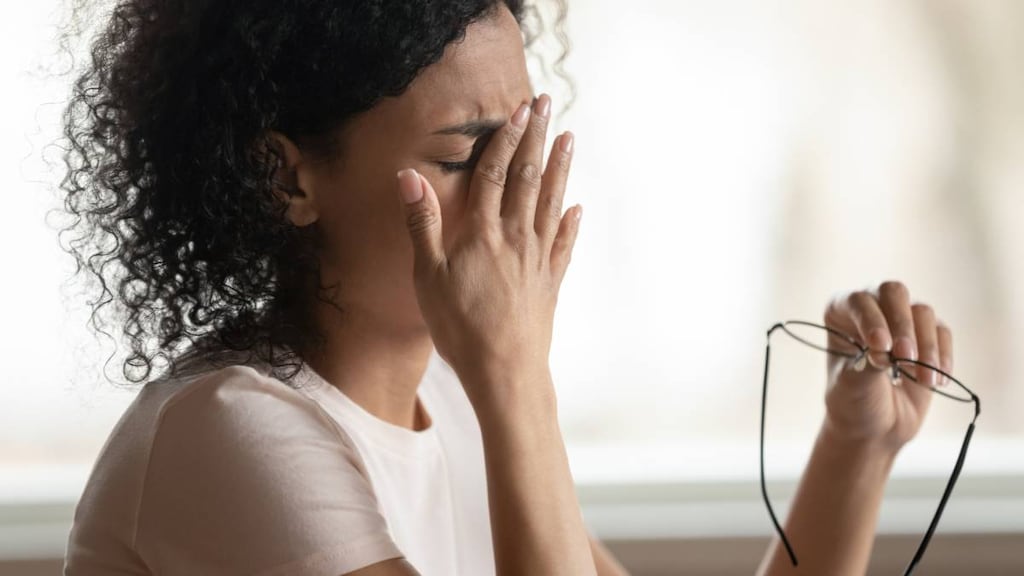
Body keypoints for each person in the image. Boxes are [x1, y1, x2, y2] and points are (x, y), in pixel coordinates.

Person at [59, 1, 953, 575]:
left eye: (523, 142)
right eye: (464, 158)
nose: (520, 189)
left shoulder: (450, 397)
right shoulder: (230, 434)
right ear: (284, 181)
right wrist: (514, 366)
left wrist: (854, 448)